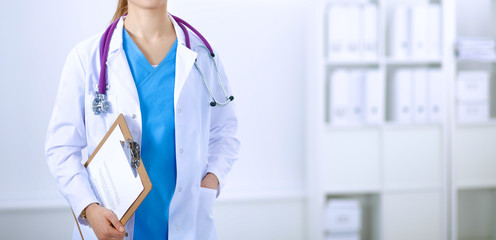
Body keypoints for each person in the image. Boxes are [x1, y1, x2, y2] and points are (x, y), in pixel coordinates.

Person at [45, 0, 240, 239]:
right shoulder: (87, 57)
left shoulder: (201, 55)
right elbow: (61, 148)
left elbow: (225, 133)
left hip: (187, 224)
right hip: (113, 225)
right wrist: (89, 207)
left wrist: (212, 181)